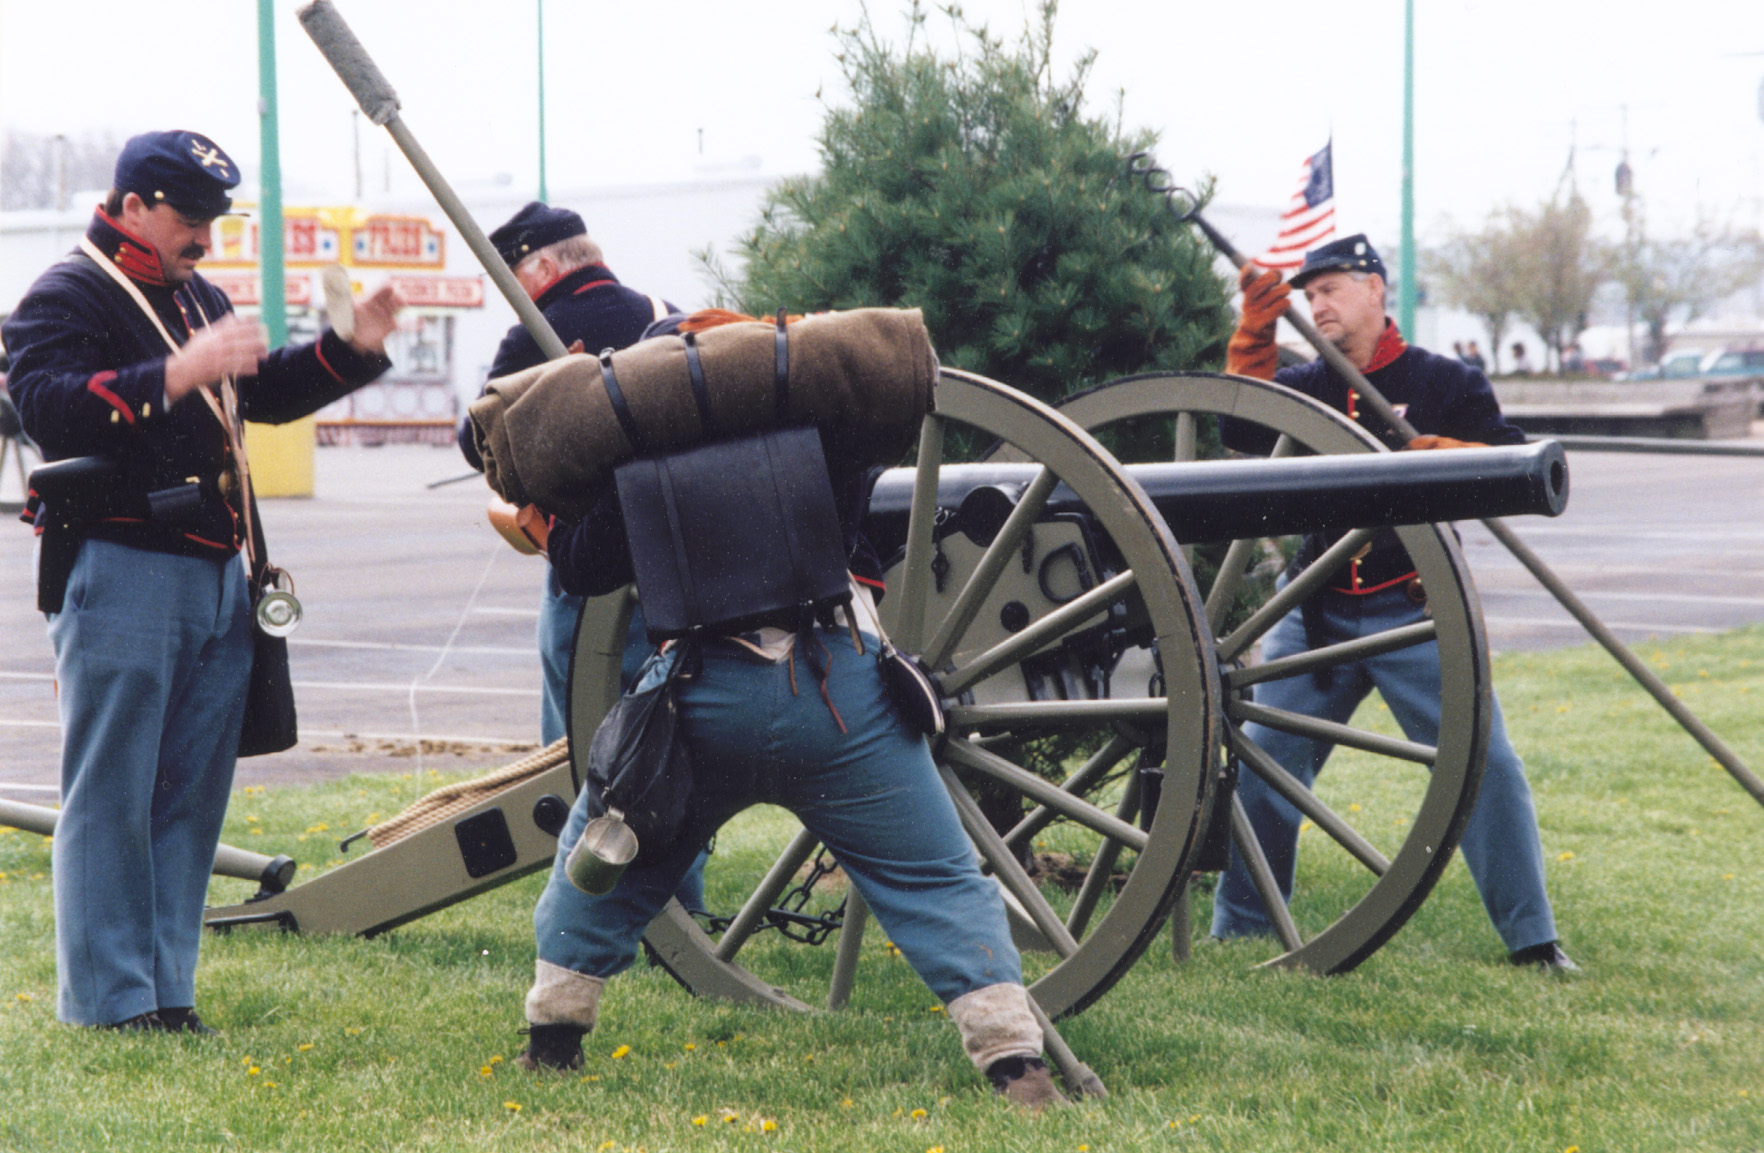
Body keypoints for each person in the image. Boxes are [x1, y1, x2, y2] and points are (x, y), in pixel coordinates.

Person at [509, 312, 1065, 1109]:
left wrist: (567, 488)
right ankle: (1016, 1062)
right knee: (938, 879)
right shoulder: (825, 434)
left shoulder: (643, 451)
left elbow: (579, 565)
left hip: (697, 704)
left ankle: (554, 1039)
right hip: (838, 697)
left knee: (598, 865)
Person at [3, 130, 405, 1032]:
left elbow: (257, 393)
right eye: (190, 219)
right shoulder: (65, 293)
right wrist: (178, 371)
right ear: (134, 205)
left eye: (213, 222)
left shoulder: (194, 294)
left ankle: (166, 989)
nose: (205, 241)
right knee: (112, 795)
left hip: (218, 572)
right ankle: (109, 1000)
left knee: (189, 796)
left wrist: (351, 347)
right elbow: (51, 406)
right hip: (122, 566)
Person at [1214, 234, 1576, 972]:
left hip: (1411, 605)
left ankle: (1533, 939)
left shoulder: (1446, 380)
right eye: (1309, 295)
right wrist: (1255, 331)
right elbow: (1239, 426)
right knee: (1266, 759)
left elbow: (1517, 468)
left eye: (1334, 289)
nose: (1319, 304)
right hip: (1317, 604)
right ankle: (1243, 928)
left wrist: (1459, 459)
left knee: (1485, 765)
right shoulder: (1310, 381)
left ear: (1376, 289)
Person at [455, 202, 707, 912]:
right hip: (680, 566)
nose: (515, 288)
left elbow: (477, 440)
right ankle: (680, 906)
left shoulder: (539, 330)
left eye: (514, 273)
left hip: (589, 567)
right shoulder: (664, 311)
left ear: (539, 265)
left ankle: (591, 906)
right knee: (670, 737)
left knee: (580, 746)